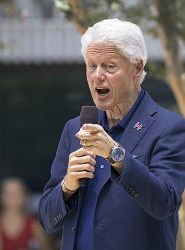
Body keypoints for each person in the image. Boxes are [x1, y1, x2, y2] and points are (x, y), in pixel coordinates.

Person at [38, 18, 185, 250]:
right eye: (91, 65)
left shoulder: (169, 127)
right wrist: (67, 187)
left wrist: (116, 155)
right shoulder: (74, 128)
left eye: (109, 66)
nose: (97, 76)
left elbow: (164, 204)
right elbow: (47, 220)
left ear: (137, 68)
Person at [0, 178, 51, 250]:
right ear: (0, 197)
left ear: (25, 196)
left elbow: (46, 247)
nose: (13, 197)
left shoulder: (34, 224)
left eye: (18, 193)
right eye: (9, 193)